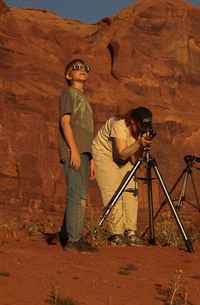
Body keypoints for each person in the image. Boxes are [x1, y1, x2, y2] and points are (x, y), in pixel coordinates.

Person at [92, 107, 154, 246]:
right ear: (132, 121)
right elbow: (122, 152)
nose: (141, 129)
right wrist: (138, 143)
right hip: (105, 155)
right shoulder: (119, 125)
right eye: (140, 126)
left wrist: (143, 144)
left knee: (131, 191)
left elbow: (136, 156)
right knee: (113, 191)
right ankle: (117, 234)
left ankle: (131, 232)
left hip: (123, 159)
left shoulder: (141, 130)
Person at [55, 59, 98, 254]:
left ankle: (65, 235)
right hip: (74, 151)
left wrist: (91, 159)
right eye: (77, 68)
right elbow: (65, 122)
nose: (82, 70)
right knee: (77, 195)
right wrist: (73, 149)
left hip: (83, 153)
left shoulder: (83, 98)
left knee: (80, 194)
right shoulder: (69, 93)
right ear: (68, 75)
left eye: (85, 67)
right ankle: (74, 240)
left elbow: (86, 132)